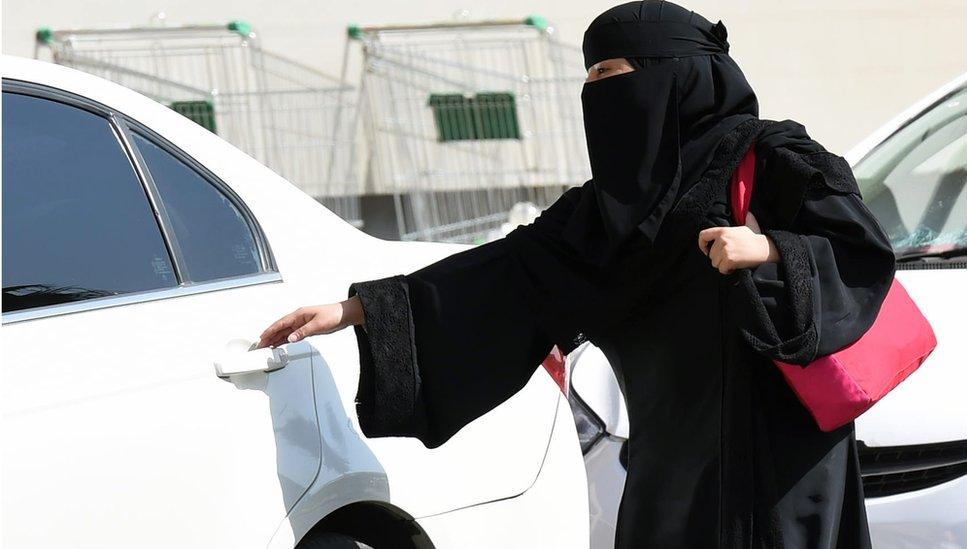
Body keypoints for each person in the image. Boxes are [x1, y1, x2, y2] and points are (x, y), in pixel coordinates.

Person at [258, 1, 895, 547]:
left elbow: (859, 251)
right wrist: (358, 310)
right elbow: (506, 272)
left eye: (612, 73)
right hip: (668, 470)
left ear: (671, 76)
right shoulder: (604, 211)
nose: (597, 91)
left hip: (780, 463)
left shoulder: (774, 157)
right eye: (589, 76)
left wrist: (771, 251)